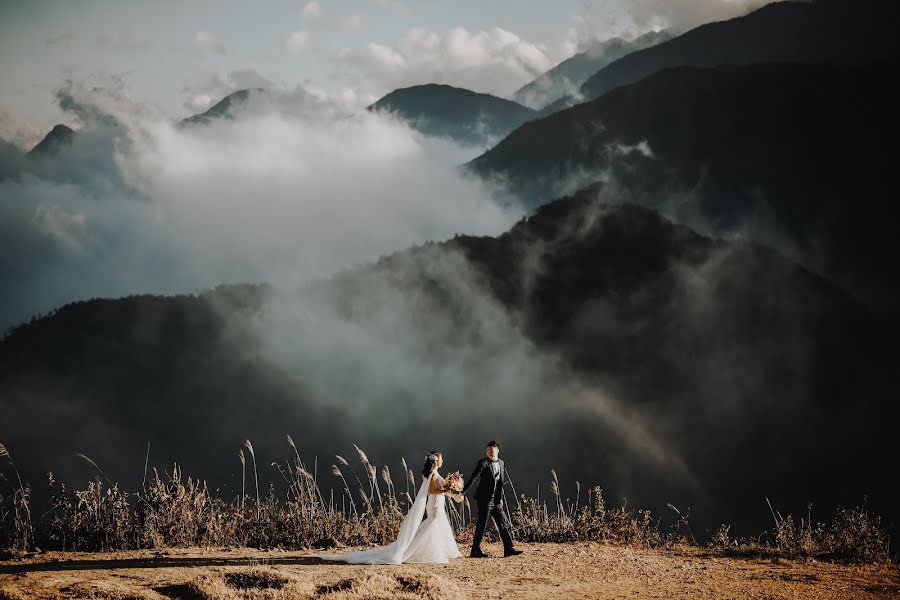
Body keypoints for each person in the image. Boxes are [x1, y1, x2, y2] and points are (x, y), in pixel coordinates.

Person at [319, 450, 463, 564]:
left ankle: (435, 550)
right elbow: (432, 490)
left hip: (437, 503)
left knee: (435, 525)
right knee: (433, 524)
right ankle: (425, 552)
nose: (443, 460)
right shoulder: (433, 474)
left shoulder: (436, 474)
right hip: (434, 504)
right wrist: (446, 490)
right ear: (437, 461)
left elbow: (441, 490)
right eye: (441, 458)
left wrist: (453, 493)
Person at [461, 440, 523, 558]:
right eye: (488, 450)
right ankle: (475, 550)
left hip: (496, 500)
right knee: (482, 524)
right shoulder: (483, 463)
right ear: (486, 451)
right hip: (484, 499)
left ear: (497, 451)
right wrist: (463, 492)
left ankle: (509, 549)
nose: (490, 452)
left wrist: (500, 499)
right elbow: (473, 478)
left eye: (492, 450)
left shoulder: (501, 463)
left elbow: (500, 483)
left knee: (503, 522)